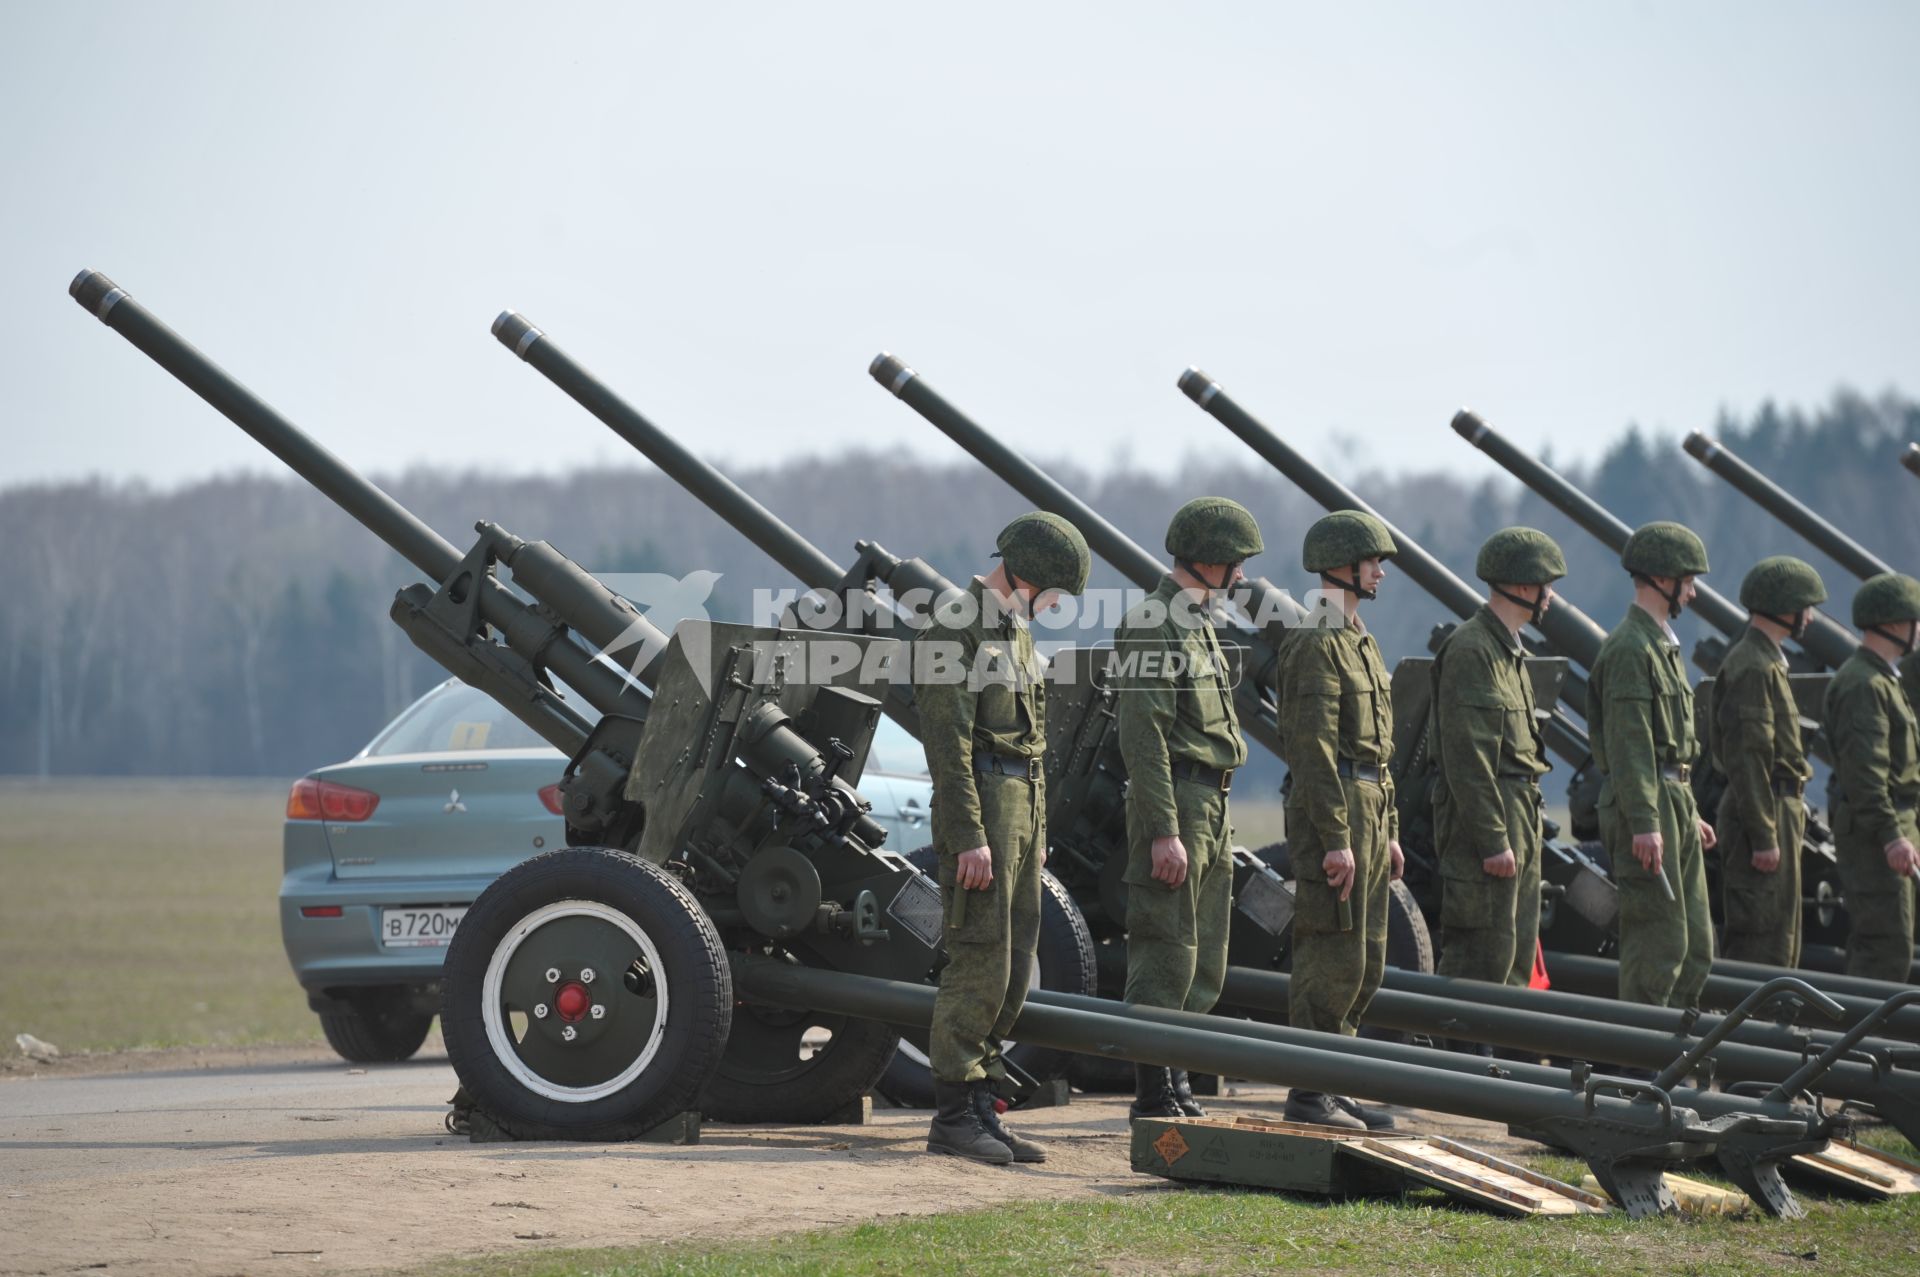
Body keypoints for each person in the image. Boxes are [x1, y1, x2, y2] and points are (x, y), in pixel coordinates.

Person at [917, 510, 1089, 1165]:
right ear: (1028, 575)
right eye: (1056, 593)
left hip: (1019, 813)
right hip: (982, 810)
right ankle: (954, 1113)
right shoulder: (955, 625)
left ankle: (984, 1104)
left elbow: (1034, 743)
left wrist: (1037, 830)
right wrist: (968, 836)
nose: (1056, 607)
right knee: (980, 957)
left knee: (1015, 965)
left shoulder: (1015, 633)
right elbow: (949, 742)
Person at [1116, 497, 1262, 1121]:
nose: (1241, 576)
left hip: (1212, 803)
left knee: (1202, 955)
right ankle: (1154, 1093)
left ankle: (1174, 1076)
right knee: (1167, 949)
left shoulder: (1197, 621)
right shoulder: (1154, 621)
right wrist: (1162, 829)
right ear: (1210, 561)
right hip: (1178, 800)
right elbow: (1142, 736)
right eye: (1236, 563)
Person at [1278, 510, 1403, 1130]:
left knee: (1366, 957)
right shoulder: (1315, 641)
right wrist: (1335, 839)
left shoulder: (1359, 640)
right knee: (1331, 954)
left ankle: (1337, 1076)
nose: (1381, 571)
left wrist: (1392, 829)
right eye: (1373, 561)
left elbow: (1379, 748)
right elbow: (1314, 751)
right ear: (1342, 565)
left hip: (1370, 808)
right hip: (1339, 812)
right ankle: (1310, 1091)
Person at [1587, 522, 1718, 1008]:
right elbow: (1631, 745)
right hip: (1648, 809)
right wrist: (1645, 822)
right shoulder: (1630, 649)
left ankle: (1673, 1059)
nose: (1693, 591)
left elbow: (1672, 749)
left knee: (1696, 948)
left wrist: (1689, 810)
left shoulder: (1662, 645)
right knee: (1658, 947)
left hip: (1673, 802)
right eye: (1687, 580)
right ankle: (1637, 1071)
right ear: (1663, 580)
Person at [1431, 528, 1564, 999]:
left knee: (1513, 961)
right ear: (1524, 587)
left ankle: (1497, 1066)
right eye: (1546, 585)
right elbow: (1468, 758)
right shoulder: (1473, 650)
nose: (1551, 597)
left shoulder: (1509, 651)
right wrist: (1492, 840)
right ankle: (1466, 1066)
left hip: (1518, 813)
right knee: (1481, 964)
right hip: (1491, 826)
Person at [1710, 556, 1826, 967]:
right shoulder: (1753, 667)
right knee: (1759, 944)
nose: (1810, 617)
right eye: (1805, 606)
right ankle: (1749, 1030)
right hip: (1762, 815)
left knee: (1782, 940)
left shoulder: (1768, 662)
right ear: (1784, 607)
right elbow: (1748, 759)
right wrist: (1763, 835)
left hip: (1778, 811)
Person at [1825, 572, 1920, 982]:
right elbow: (1867, 774)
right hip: (1875, 834)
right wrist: (1891, 835)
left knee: (1895, 944)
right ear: (1896, 624)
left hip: (1890, 827)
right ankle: (1862, 1043)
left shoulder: (1880, 679)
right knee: (1883, 949)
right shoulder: (1864, 684)